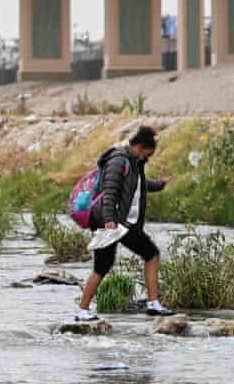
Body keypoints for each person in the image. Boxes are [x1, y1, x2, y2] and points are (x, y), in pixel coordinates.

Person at [75, 126, 175, 322]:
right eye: (148, 153)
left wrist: (160, 184)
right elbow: (110, 192)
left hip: (124, 224)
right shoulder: (118, 161)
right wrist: (109, 220)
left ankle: (153, 304)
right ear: (141, 147)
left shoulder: (134, 162)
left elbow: (138, 185)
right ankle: (82, 311)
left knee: (150, 254)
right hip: (110, 223)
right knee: (103, 266)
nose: (148, 158)